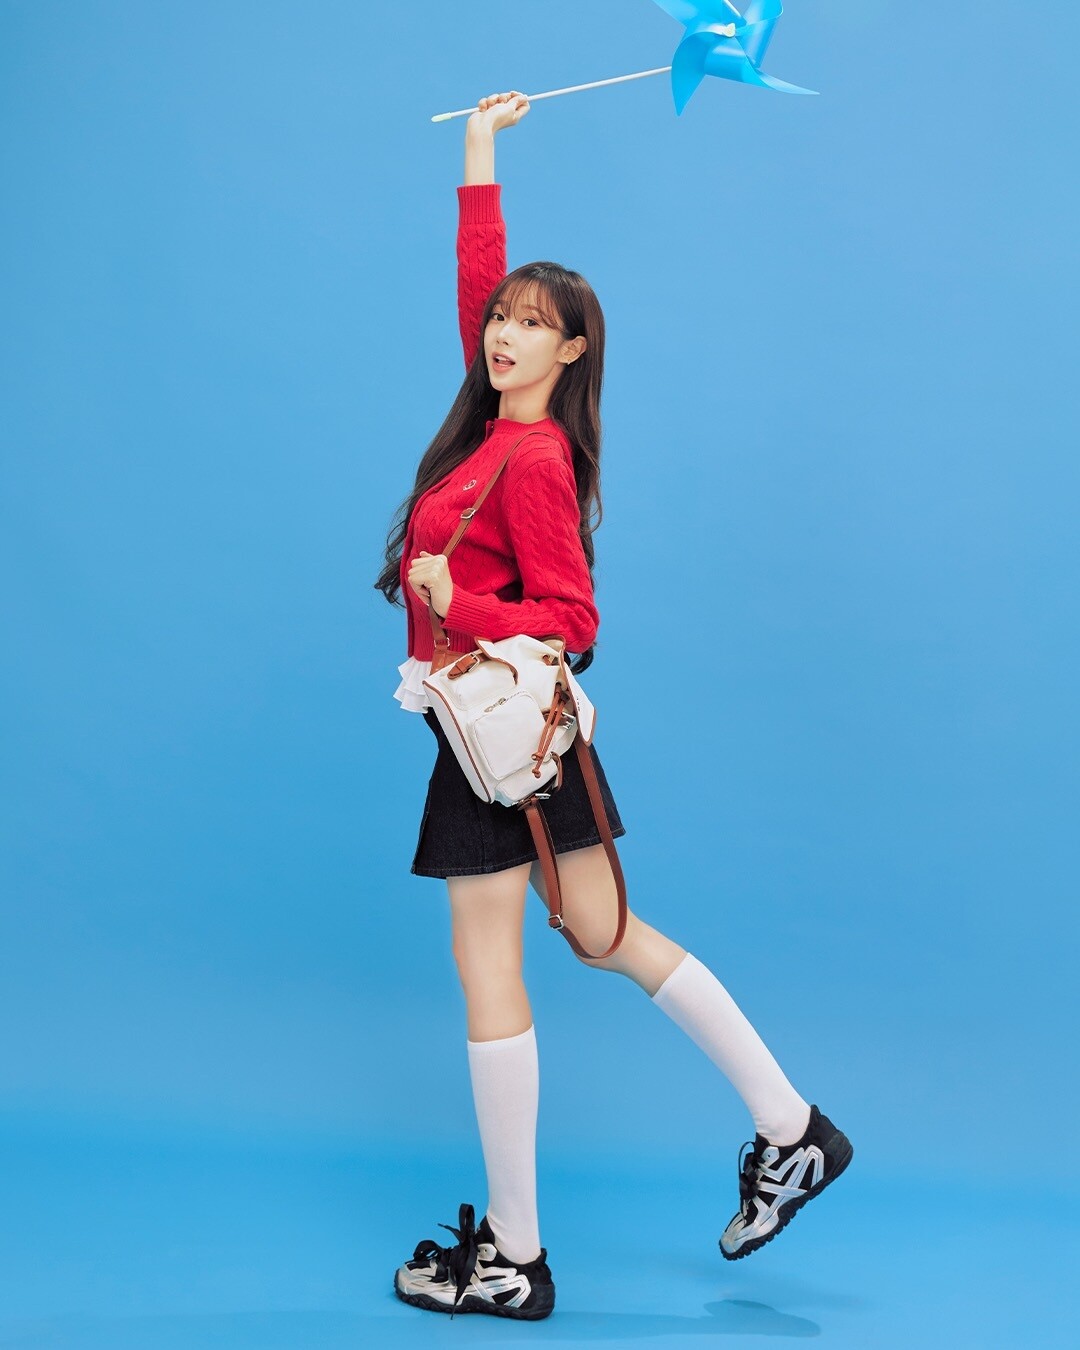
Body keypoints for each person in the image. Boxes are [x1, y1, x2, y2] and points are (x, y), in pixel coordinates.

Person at [375, 90, 852, 1323]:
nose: (504, 334)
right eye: (502, 318)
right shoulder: (490, 424)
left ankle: (516, 1259)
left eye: (534, 326)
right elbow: (479, 280)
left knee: (491, 967)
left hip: (498, 739)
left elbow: (574, 620)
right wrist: (480, 150)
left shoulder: (534, 459)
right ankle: (793, 1128)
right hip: (507, 738)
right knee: (603, 934)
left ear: (574, 352)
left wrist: (463, 603)